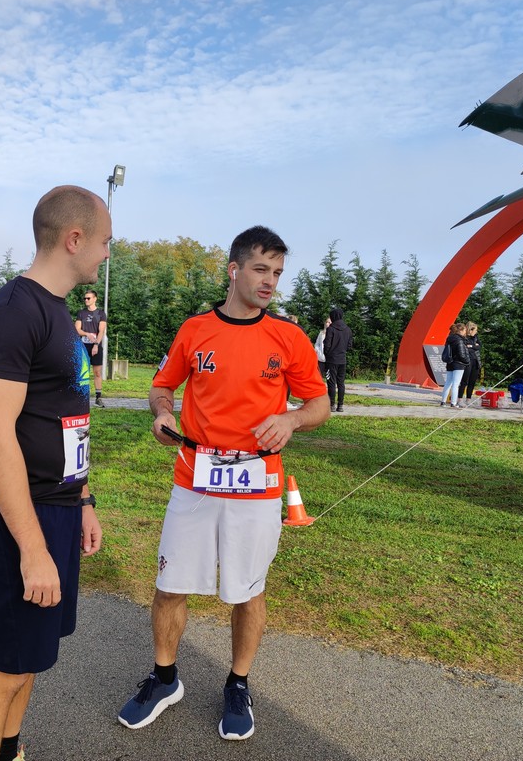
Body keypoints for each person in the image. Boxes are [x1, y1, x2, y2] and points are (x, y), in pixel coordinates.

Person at [118, 225, 330, 742]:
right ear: (233, 270)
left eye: (277, 273)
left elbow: (319, 404)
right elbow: (162, 386)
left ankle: (238, 684)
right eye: (261, 269)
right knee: (170, 585)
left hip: (258, 483)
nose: (270, 282)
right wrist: (162, 414)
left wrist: (293, 421)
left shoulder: (289, 337)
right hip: (195, 478)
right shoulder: (195, 331)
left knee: (246, 590)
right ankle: (165, 678)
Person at [0, 185, 107, 761]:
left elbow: (66, 414)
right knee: (2, 669)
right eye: (104, 242)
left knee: (29, 661)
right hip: (20, 519)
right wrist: (32, 547)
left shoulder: (56, 310)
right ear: (74, 239)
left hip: (60, 508)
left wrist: (85, 500)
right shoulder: (14, 312)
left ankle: (9, 752)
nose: (105, 254)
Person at [74, 289, 107, 407]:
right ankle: (82, 398)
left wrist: (96, 345)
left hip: (96, 346)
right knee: (83, 372)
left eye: (88, 298)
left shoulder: (101, 313)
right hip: (83, 346)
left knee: (97, 372)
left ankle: (98, 398)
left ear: (95, 299)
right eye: (85, 298)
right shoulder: (81, 313)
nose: (86, 300)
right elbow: (77, 329)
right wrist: (87, 334)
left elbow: (101, 331)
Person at [323, 307, 352, 412]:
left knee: (331, 382)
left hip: (331, 360)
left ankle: (332, 405)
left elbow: (327, 344)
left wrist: (327, 354)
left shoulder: (331, 329)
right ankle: (341, 405)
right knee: (341, 383)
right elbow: (349, 346)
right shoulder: (348, 329)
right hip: (342, 359)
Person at [439, 323, 470, 408]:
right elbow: (461, 354)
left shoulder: (449, 339)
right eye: (464, 330)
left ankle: (443, 402)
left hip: (450, 363)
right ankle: (453, 403)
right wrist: (467, 361)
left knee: (448, 383)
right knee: (456, 384)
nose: (465, 332)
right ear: (461, 330)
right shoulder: (459, 340)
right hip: (459, 364)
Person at [457, 321, 482, 408]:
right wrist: (473, 346)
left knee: (472, 381)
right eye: (475, 330)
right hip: (467, 361)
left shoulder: (475, 337)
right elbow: (466, 349)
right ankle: (460, 398)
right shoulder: (464, 338)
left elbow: (479, 346)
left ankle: (468, 398)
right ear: (470, 330)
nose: (476, 332)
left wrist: (472, 346)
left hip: (476, 361)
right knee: (464, 381)